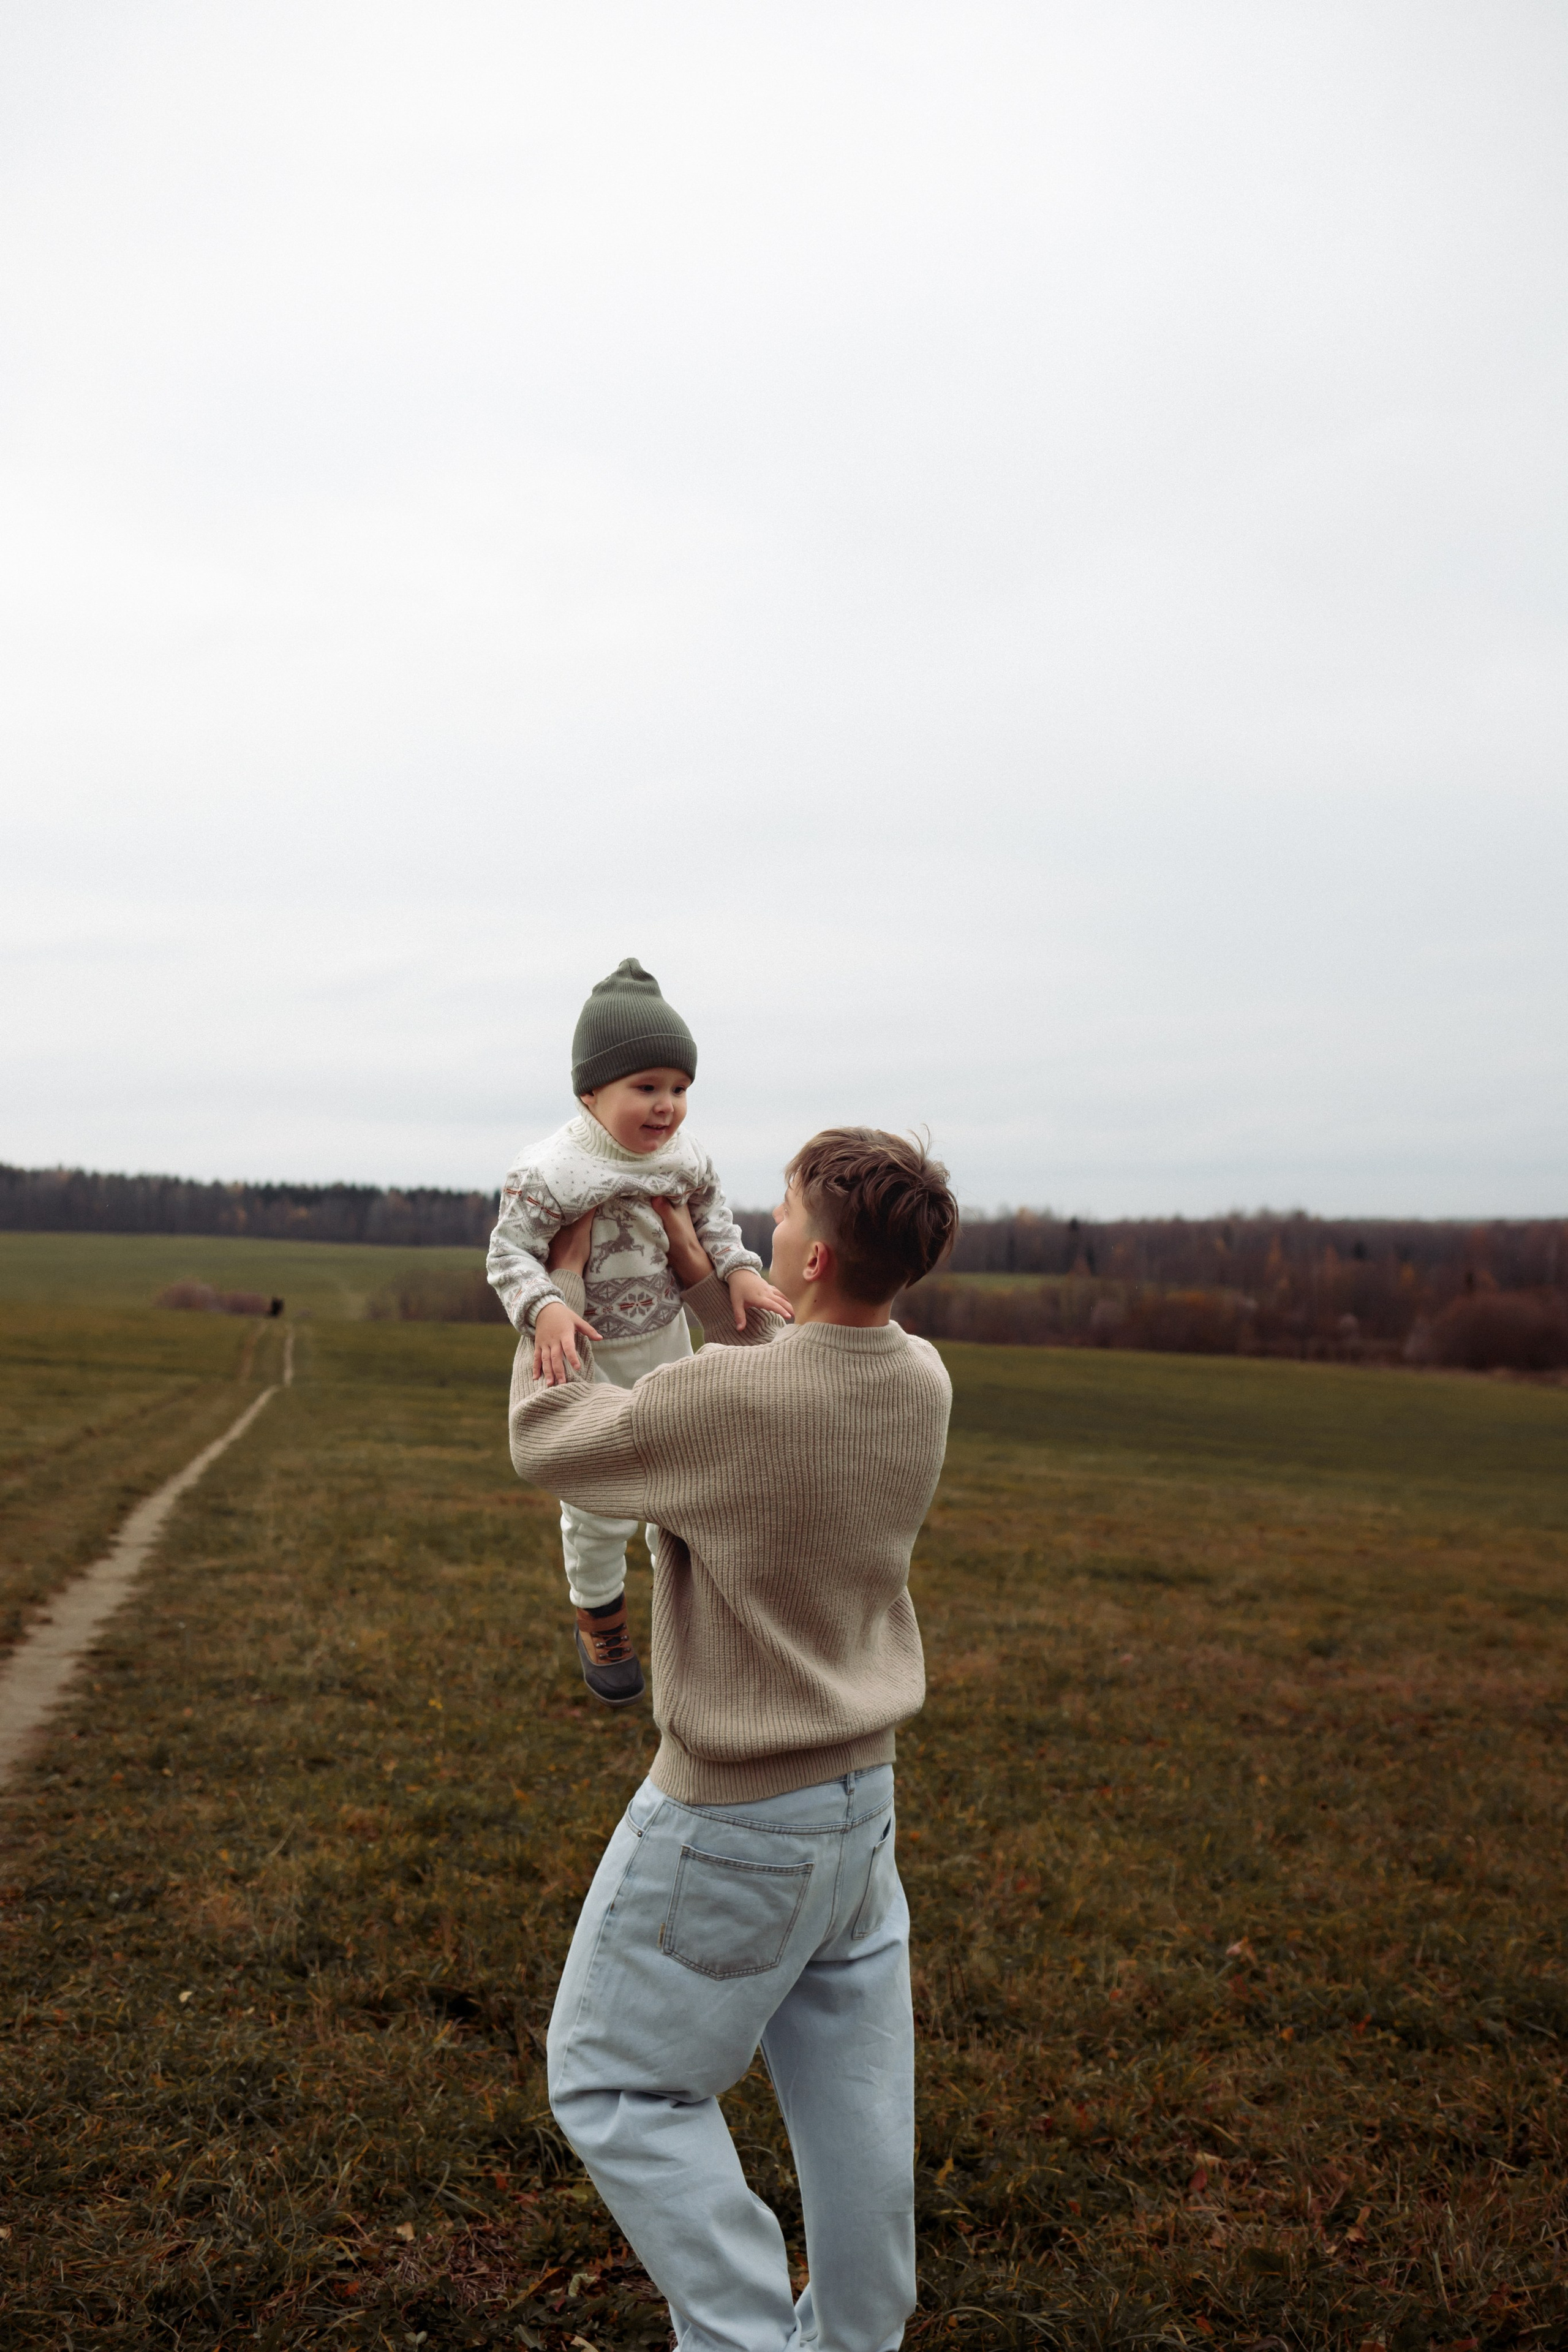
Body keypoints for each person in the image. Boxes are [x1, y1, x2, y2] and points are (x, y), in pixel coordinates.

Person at [508, 1128, 958, 2352]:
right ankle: (857, 2335)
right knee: (859, 2103)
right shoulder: (919, 1379)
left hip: (732, 1820)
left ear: (811, 1259)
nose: (768, 1225)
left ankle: (744, 2337)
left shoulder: (723, 1403)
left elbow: (547, 1441)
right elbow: (792, 1374)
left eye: (785, 1212)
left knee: (612, 2082)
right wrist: (706, 1276)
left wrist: (555, 1290)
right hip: (858, 1811)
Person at [487, 956, 791, 1705]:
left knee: (681, 1491)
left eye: (680, 1089)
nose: (667, 1108)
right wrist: (544, 1306)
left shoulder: (685, 1159)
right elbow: (508, 1254)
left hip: (665, 1343)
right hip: (582, 1355)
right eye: (646, 1088)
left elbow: (714, 1221)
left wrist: (739, 1269)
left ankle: (693, 1616)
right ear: (590, 1093)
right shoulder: (550, 1171)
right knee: (596, 1507)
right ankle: (599, 1615)